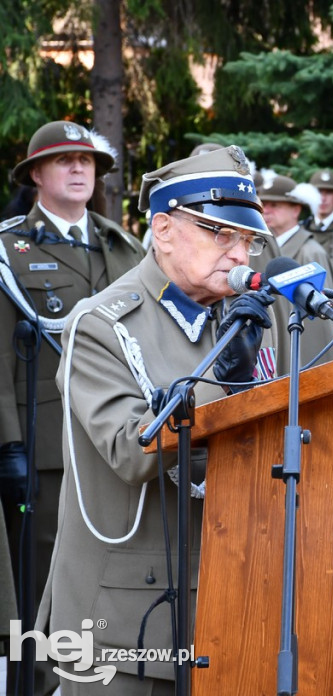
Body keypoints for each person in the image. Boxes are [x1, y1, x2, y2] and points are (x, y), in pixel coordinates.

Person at [41, 145, 277, 695]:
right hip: (127, 622)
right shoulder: (99, 324)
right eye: (221, 234)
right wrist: (227, 378)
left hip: (228, 596)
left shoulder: (238, 317)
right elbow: (131, 450)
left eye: (247, 240)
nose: (240, 254)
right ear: (164, 229)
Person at [0, 120, 145, 693]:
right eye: (64, 161)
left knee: (106, 568)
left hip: (114, 436)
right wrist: (9, 443)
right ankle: (31, 683)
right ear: (37, 174)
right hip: (45, 442)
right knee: (37, 576)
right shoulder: (10, 248)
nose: (80, 169)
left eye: (87, 162)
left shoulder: (122, 244)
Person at [258, 171, 333, 366]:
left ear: (296, 210)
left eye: (275, 205)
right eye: (264, 204)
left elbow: (322, 332)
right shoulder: (263, 248)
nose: (266, 210)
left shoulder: (310, 253)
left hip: (302, 361)